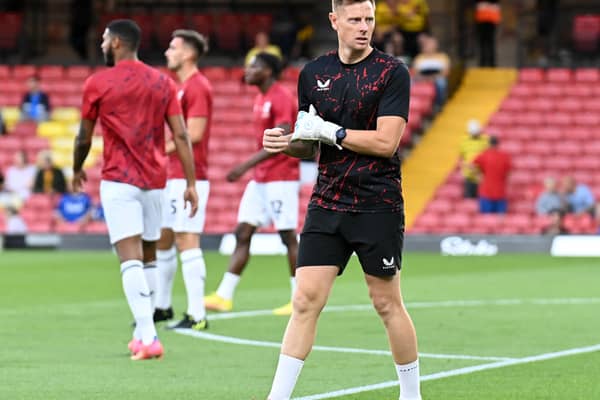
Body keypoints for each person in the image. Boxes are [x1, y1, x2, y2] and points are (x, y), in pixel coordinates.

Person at [262, 1, 421, 399]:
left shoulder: (391, 72)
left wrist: (330, 131)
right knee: (304, 300)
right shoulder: (314, 73)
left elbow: (387, 143)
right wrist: (286, 144)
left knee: (386, 303)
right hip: (327, 203)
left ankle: (411, 395)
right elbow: (307, 140)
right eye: (355, 20)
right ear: (335, 21)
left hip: (376, 203)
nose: (364, 27)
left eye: (369, 19)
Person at [72, 19, 198, 361]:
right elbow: (182, 135)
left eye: (103, 40)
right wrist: (190, 183)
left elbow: (84, 135)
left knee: (129, 258)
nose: (101, 45)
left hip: (119, 180)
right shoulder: (163, 82)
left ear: (115, 42)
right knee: (149, 256)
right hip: (156, 181)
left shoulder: (98, 82)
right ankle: (146, 330)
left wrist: (75, 168)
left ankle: (148, 336)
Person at [205, 52, 300, 317]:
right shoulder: (261, 98)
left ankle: (299, 299)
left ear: (268, 71)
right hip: (261, 178)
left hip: (281, 177)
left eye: (254, 66)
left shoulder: (281, 97)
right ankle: (224, 295)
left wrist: (245, 165)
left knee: (287, 236)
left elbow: (281, 140)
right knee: (243, 232)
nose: (248, 70)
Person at [154, 29, 212, 330]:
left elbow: (195, 134)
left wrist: (153, 150)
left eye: (173, 47)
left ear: (188, 54)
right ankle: (162, 306)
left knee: (186, 239)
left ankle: (197, 313)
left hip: (191, 175)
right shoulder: (180, 87)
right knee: (164, 238)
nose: (167, 52)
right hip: (173, 175)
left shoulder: (197, 87)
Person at [472, 136, 511, 213]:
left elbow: (472, 166)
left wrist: (479, 176)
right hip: (500, 192)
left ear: (489, 144)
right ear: (498, 144)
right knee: (500, 223)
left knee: (486, 222)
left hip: (486, 192)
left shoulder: (484, 155)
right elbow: (509, 173)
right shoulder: (504, 156)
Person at [412, 35, 450, 108]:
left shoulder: (442, 57)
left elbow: (445, 72)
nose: (429, 46)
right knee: (410, 82)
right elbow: (415, 72)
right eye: (427, 44)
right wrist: (424, 78)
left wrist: (433, 78)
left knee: (441, 83)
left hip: (437, 78)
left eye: (431, 44)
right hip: (422, 78)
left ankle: (439, 104)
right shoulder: (419, 58)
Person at [458, 119, 489, 198]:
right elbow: (461, 157)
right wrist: (463, 167)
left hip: (481, 177)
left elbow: (488, 157)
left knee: (481, 200)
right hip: (469, 177)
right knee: (468, 201)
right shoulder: (463, 141)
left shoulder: (486, 140)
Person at [474, 0, 501, 67]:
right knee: (489, 42)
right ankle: (490, 63)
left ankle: (485, 63)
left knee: (485, 42)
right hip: (488, 17)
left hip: (485, 18)